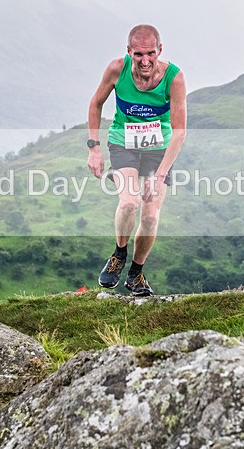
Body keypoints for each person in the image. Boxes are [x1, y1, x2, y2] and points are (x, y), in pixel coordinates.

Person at [86, 24, 187, 296]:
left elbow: (180, 132)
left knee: (151, 215)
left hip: (159, 148)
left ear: (160, 51)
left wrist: (160, 174)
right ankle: (119, 254)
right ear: (129, 51)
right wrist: (94, 148)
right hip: (124, 142)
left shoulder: (174, 78)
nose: (145, 61)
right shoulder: (117, 70)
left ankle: (136, 273)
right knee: (129, 202)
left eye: (151, 54)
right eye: (139, 54)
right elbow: (96, 103)